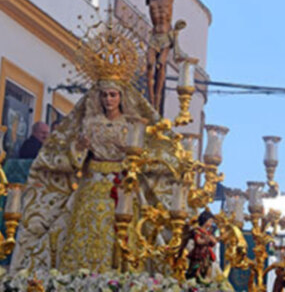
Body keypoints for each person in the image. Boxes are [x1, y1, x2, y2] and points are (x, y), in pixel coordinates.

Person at [9, 76, 170, 272]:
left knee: (124, 228)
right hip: (92, 183)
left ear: (121, 97)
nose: (108, 100)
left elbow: (144, 158)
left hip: (121, 186)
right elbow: (75, 159)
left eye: (113, 95)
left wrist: (131, 153)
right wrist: (79, 147)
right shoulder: (90, 123)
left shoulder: (132, 124)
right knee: (83, 226)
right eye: (104, 95)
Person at [108, 0, 219, 109]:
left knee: (161, 64)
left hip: (166, 36)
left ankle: (157, 100)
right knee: (149, 65)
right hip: (155, 36)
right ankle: (150, 100)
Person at [183, 209, 218, 281]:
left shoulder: (208, 233)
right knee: (197, 267)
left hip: (207, 254)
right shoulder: (197, 230)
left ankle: (206, 280)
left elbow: (213, 242)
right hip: (198, 253)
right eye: (210, 221)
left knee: (208, 266)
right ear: (205, 220)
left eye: (212, 222)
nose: (211, 223)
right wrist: (205, 241)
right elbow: (198, 241)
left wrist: (212, 240)